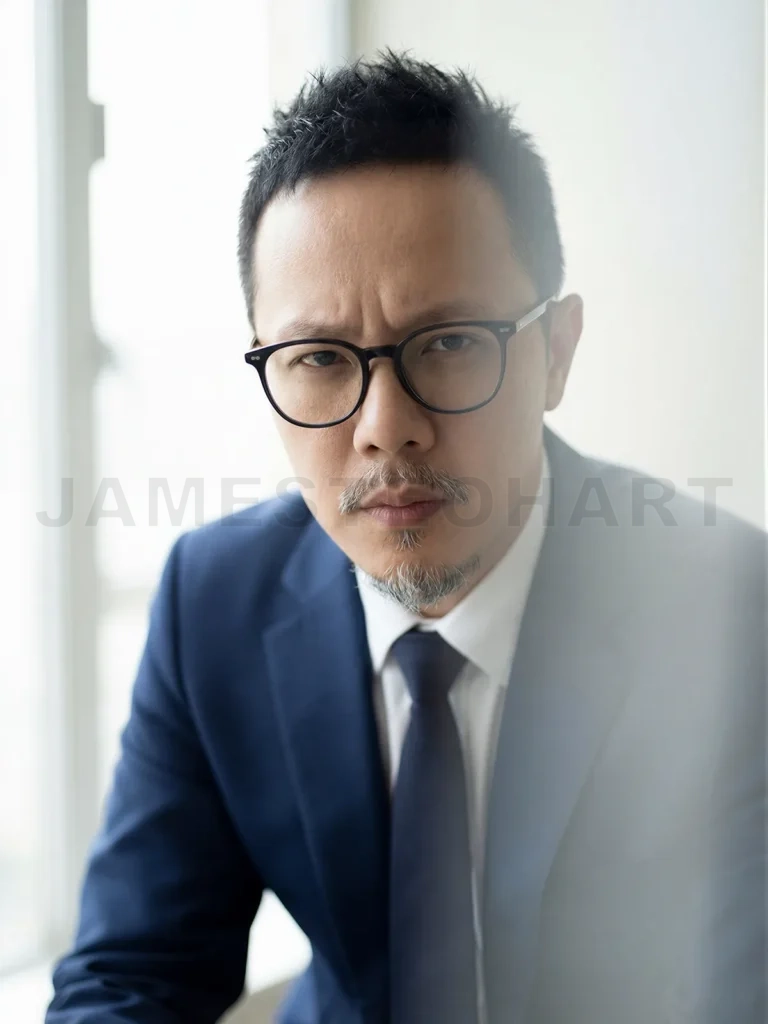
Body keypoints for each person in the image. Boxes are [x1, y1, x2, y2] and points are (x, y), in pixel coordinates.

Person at [46, 51, 765, 1024]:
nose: (385, 424)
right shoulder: (211, 602)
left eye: (453, 341)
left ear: (554, 353)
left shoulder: (725, 613)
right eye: (317, 358)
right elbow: (132, 976)